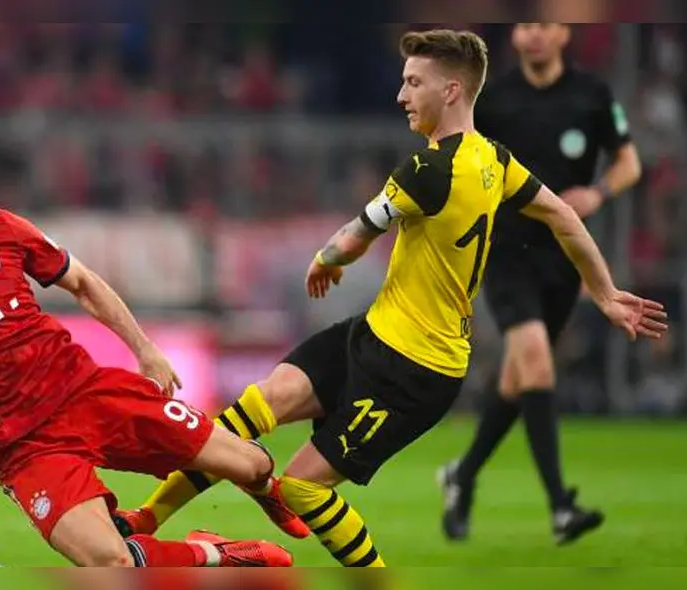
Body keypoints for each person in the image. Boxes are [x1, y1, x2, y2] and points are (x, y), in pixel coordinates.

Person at [113, 28, 667, 567]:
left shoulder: (428, 169)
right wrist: (605, 292)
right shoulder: (494, 161)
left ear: (450, 90)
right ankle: (145, 520)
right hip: (375, 332)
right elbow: (564, 215)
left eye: (413, 83)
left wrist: (325, 260)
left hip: (415, 372)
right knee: (251, 409)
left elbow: (355, 235)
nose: (401, 95)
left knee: (303, 489)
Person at [0, 149, 300, 568]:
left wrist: (145, 350)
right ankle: (216, 554)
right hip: (23, 449)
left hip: (85, 391)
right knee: (112, 564)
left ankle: (264, 489)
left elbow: (82, 283)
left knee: (251, 463)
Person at [437, 23, 643, 545]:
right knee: (535, 359)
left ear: (563, 34)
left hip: (564, 259)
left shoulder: (591, 95)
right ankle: (560, 508)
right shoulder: (496, 98)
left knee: (518, 381)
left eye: (544, 26)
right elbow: (456, 157)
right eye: (525, 25)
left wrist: (597, 194)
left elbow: (629, 163)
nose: (532, 35)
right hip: (505, 253)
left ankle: (461, 476)